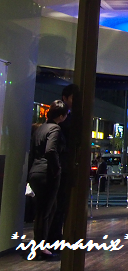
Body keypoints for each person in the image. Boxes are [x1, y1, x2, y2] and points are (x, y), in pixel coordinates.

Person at [27, 100, 68, 260]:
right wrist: (57, 169)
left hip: (35, 172)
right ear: (61, 116)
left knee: (43, 210)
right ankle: (40, 247)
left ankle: (40, 244)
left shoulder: (40, 128)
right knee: (46, 211)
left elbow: (32, 153)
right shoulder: (55, 129)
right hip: (47, 173)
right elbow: (51, 150)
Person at [48, 84, 78, 244]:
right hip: (60, 168)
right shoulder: (61, 123)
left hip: (62, 167)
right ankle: (53, 239)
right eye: (73, 98)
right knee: (57, 205)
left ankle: (55, 238)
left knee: (59, 205)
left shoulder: (65, 120)